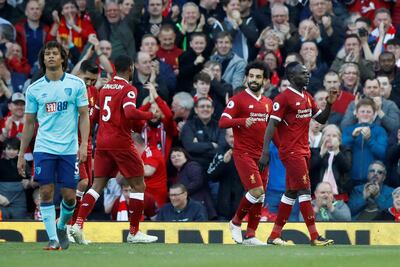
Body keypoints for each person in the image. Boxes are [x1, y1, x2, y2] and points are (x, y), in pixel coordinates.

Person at [70, 55, 158, 244]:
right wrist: (150, 114)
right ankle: (134, 232)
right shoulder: (129, 89)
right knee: (139, 185)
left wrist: (87, 140)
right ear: (131, 69)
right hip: (121, 143)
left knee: (97, 186)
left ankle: (77, 224)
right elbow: (129, 112)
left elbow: (94, 116)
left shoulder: (104, 89)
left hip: (101, 142)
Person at [17, 41, 90, 250]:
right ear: (43, 59)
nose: (50, 57)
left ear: (62, 58)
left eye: (54, 53)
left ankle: (61, 225)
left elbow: (84, 116)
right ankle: (53, 239)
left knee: (69, 196)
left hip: (69, 149)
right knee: (46, 192)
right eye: (47, 54)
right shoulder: (34, 89)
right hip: (44, 148)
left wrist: (83, 144)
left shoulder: (76, 84)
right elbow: (29, 123)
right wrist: (22, 154)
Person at [258, 62, 337, 246]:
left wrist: (329, 105)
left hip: (303, 150)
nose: (308, 75)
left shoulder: (307, 97)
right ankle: (314, 236)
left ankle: (274, 235)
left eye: (308, 72)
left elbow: (321, 119)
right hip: (291, 151)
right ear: (292, 77)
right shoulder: (283, 98)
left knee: (291, 192)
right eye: (303, 73)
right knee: (305, 189)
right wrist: (265, 153)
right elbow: (271, 125)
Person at [219, 60, 273, 245]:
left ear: (265, 80)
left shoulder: (268, 103)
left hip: (262, 155)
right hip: (243, 153)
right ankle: (235, 223)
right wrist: (242, 120)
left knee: (261, 195)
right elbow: (223, 122)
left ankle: (251, 235)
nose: (254, 80)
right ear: (245, 79)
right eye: (251, 76)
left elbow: (272, 130)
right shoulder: (238, 100)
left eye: (258, 77)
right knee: (256, 191)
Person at [66, 60, 98, 241]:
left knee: (86, 186)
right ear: (80, 73)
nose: (90, 84)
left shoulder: (94, 92)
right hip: (73, 143)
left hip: (88, 142)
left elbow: (97, 116)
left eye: (94, 80)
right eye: (87, 79)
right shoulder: (69, 89)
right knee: (81, 183)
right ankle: (67, 225)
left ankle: (75, 228)